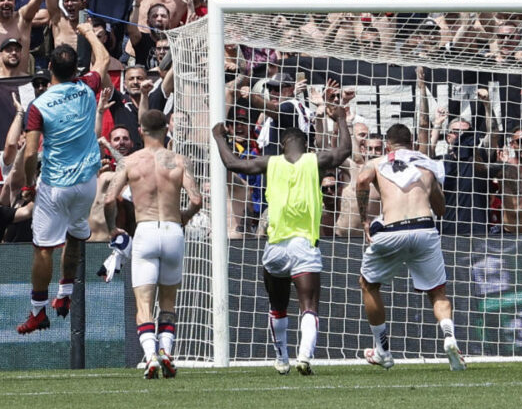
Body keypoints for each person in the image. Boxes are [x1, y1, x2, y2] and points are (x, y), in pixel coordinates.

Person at [211, 87, 354, 374]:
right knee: (309, 306)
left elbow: (232, 163)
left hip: (274, 246)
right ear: (304, 143)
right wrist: (340, 119)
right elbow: (344, 152)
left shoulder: (270, 162)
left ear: (284, 144)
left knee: (278, 307)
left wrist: (219, 138)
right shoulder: (315, 161)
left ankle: (281, 358)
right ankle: (304, 356)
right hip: (303, 245)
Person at [358, 123, 465, 371]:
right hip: (424, 229)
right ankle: (449, 337)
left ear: (387, 145)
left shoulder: (378, 161)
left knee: (368, 284)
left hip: (393, 230)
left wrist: (365, 219)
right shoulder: (426, 163)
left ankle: (382, 350)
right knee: (437, 293)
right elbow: (440, 209)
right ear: (413, 144)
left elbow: (362, 179)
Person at [12, 44, 102, 338]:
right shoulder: (88, 87)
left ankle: (38, 312)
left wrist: (28, 186)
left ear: (49, 67)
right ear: (76, 69)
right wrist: (89, 33)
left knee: (43, 248)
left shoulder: (40, 105)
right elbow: (101, 60)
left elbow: (29, 153)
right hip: (88, 183)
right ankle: (64, 292)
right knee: (75, 234)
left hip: (56, 186)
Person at [110, 106, 204, 378]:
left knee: (143, 304)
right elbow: (197, 200)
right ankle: (167, 351)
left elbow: (109, 197)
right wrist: (184, 216)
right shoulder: (178, 160)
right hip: (173, 231)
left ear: (140, 132)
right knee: (168, 303)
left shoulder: (130, 162)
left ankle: (150, 356)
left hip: (146, 230)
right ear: (166, 130)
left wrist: (112, 227)